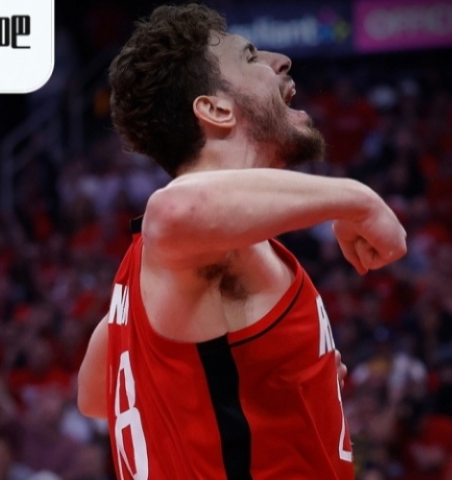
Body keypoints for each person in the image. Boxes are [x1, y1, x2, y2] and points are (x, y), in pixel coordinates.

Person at [77, 4, 406, 479]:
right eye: (251, 56)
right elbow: (176, 209)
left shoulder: (144, 281)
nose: (280, 61)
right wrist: (358, 199)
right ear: (215, 109)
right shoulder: (192, 239)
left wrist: (291, 379)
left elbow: (94, 397)